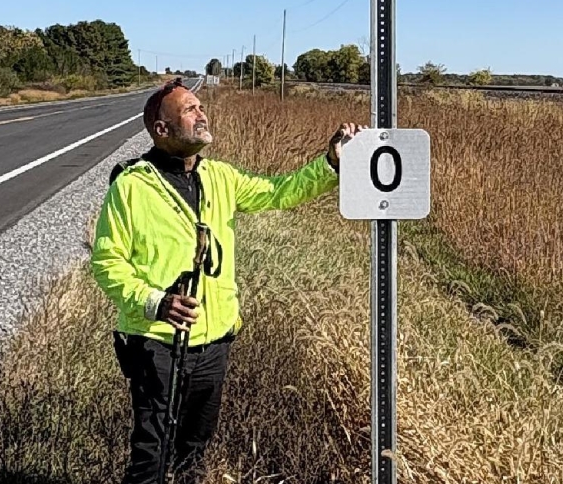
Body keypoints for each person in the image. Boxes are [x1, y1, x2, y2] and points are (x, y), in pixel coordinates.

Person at [90, 77, 365, 484]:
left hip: (213, 341)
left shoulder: (220, 177)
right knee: (151, 455)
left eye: (200, 107)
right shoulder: (131, 186)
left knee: (193, 453)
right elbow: (107, 262)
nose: (202, 115)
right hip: (155, 342)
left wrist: (330, 164)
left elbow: (279, 192)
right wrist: (155, 302)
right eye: (190, 110)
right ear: (162, 129)